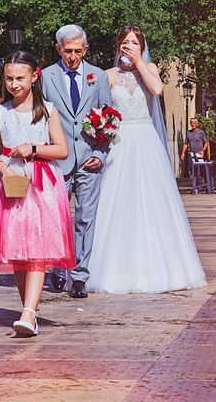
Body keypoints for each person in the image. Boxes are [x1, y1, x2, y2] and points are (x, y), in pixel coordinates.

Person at [86, 26, 206, 294]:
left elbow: (157, 90)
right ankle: (113, 269)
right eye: (125, 42)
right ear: (118, 47)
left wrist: (139, 63)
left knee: (151, 203)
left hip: (145, 141)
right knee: (116, 203)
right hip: (119, 142)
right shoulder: (108, 75)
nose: (130, 46)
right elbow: (98, 107)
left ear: (142, 47)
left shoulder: (150, 69)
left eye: (135, 43)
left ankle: (159, 268)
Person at [0, 50, 74, 336]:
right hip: (10, 183)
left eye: (20, 78)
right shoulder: (0, 112)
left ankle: (29, 312)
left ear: (34, 75)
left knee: (37, 247)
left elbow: (62, 149)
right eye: (8, 79)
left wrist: (33, 148)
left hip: (41, 184)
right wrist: (4, 167)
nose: (14, 84)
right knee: (17, 249)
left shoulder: (48, 111)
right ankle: (28, 308)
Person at [41, 24, 111, 298]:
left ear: (86, 49)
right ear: (58, 49)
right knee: (57, 218)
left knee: (85, 218)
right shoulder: (47, 77)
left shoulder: (99, 77)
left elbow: (109, 116)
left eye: (78, 51)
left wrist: (100, 154)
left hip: (89, 159)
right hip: (58, 162)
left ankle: (80, 276)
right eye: (67, 51)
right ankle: (58, 269)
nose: (73, 56)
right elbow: (41, 120)